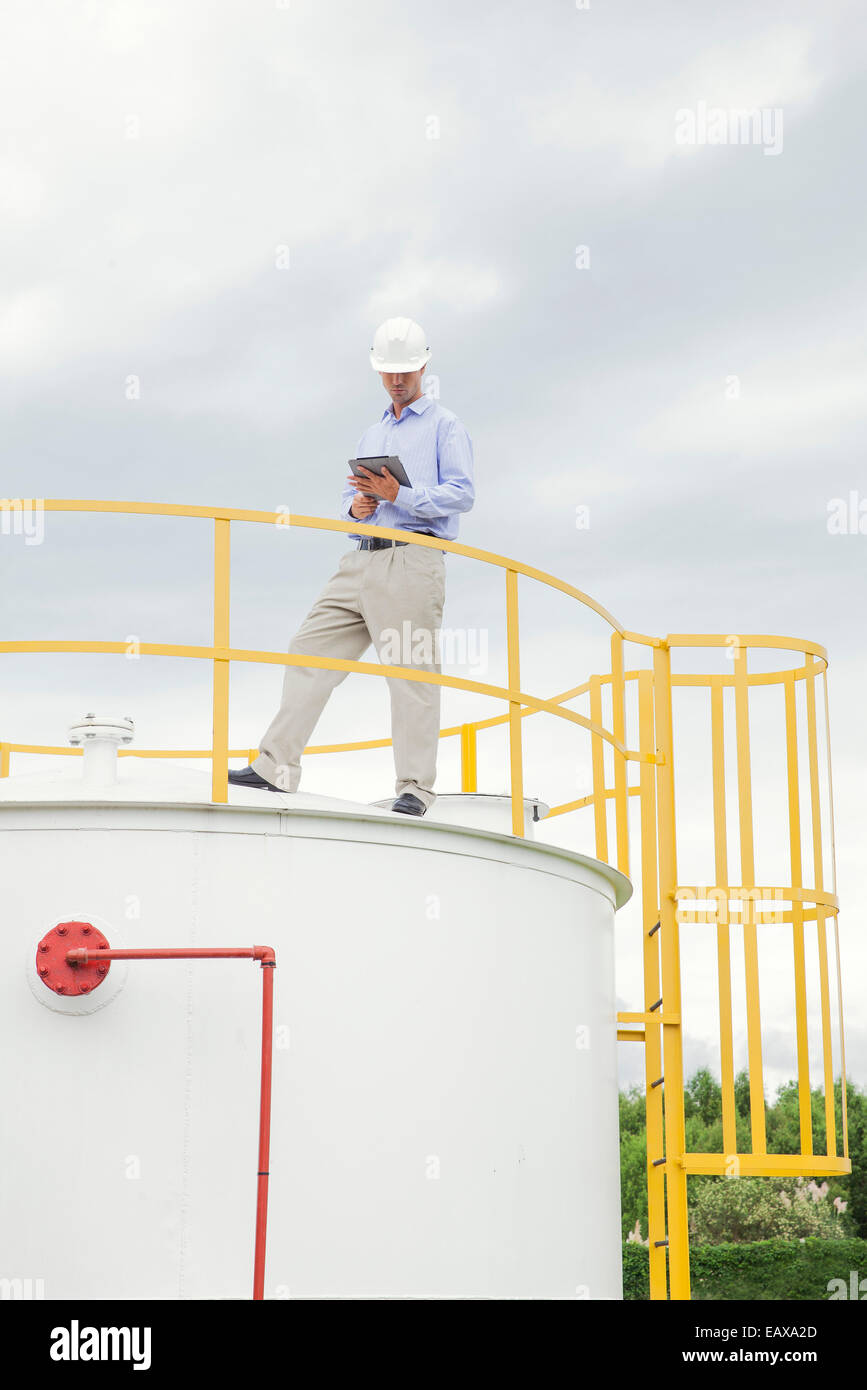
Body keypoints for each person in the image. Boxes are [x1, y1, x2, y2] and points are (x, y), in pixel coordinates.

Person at [228, 316, 475, 815]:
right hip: (359, 558)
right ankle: (275, 768)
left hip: (412, 558)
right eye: (388, 371)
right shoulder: (372, 433)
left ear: (424, 365)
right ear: (377, 371)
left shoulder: (445, 426)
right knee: (308, 649)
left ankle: (415, 788)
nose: (397, 379)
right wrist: (357, 508)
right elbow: (350, 496)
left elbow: (462, 493)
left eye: (405, 370)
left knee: (410, 673)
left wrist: (399, 495)